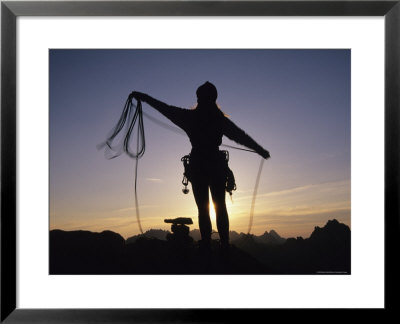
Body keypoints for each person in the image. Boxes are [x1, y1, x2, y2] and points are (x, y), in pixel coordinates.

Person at [130, 82, 270, 250]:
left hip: (198, 165)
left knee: (203, 208)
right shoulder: (219, 120)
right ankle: (224, 244)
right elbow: (240, 136)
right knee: (220, 206)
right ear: (214, 98)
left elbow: (165, 108)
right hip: (216, 165)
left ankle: (206, 244)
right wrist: (259, 149)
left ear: (199, 98)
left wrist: (144, 98)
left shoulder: (190, 117)